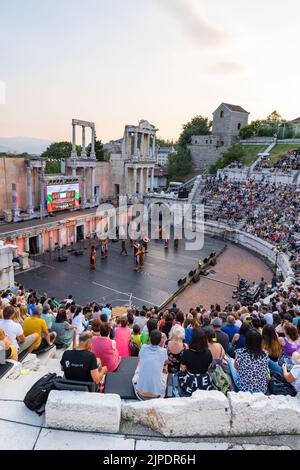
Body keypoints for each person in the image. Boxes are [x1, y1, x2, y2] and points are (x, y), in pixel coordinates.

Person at [228, 329, 269, 394]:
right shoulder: (265, 353)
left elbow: (235, 367)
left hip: (243, 387)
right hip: (262, 388)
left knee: (230, 360)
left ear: (247, 340)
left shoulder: (240, 352)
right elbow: (265, 367)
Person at [132, 330, 168, 400]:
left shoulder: (143, 347)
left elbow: (139, 361)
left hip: (140, 394)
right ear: (160, 340)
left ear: (149, 338)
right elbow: (165, 365)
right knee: (165, 371)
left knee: (139, 367)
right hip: (157, 395)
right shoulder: (163, 351)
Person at [179, 328, 213, 395]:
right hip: (204, 382)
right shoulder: (208, 352)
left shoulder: (186, 353)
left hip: (190, 382)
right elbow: (209, 366)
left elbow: (183, 368)